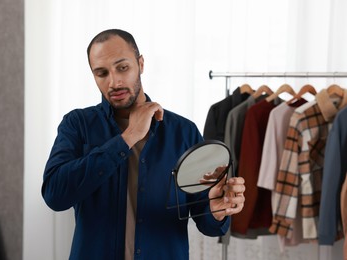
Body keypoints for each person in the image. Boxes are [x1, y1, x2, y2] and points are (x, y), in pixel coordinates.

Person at [42, 29, 245, 260]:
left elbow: (206, 222)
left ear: (141, 63)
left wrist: (217, 212)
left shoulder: (184, 132)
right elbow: (54, 195)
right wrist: (128, 137)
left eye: (122, 67)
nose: (114, 82)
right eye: (101, 73)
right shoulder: (77, 124)